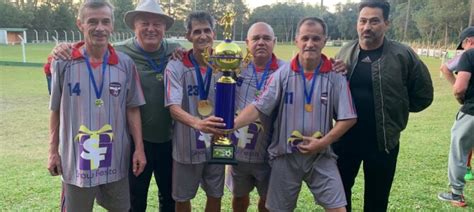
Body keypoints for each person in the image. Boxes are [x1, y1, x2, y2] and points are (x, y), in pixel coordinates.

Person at [49, 0, 181, 210]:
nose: (100, 28)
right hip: (91, 155)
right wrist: (53, 151)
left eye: (105, 22)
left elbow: (132, 107)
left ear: (112, 25)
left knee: (153, 201)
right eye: (93, 21)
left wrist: (182, 54)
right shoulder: (69, 61)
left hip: (142, 147)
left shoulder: (161, 54)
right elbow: (55, 107)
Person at [234, 17, 357, 212]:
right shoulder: (282, 74)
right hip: (285, 156)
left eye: (316, 39)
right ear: (296, 40)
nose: (310, 43)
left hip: (321, 156)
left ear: (324, 41)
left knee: (339, 209)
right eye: (305, 38)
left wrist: (323, 142)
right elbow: (258, 107)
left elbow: (348, 117)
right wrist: (229, 126)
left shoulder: (335, 75)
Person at [333, 1, 433, 211]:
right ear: (357, 23)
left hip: (384, 143)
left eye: (374, 21)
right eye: (363, 21)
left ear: (386, 23)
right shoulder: (345, 52)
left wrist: (395, 112)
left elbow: (423, 95)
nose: (367, 27)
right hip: (345, 141)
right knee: (339, 197)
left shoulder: (402, 55)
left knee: (377, 201)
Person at [164, 11, 226, 212]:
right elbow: (173, 107)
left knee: (215, 195)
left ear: (214, 34)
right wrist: (199, 124)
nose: (202, 36)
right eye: (197, 31)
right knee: (182, 198)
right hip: (186, 147)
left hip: (218, 143)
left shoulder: (225, 64)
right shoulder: (176, 65)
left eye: (207, 30)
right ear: (188, 36)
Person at [226, 22, 285, 212]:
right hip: (239, 150)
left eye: (266, 38)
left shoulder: (286, 70)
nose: (261, 42)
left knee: (267, 201)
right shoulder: (234, 68)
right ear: (247, 42)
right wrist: (177, 52)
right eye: (256, 38)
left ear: (274, 42)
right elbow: (204, 61)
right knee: (239, 197)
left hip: (270, 153)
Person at [438, 26, 474, 207]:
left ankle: (456, 194)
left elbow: (459, 88)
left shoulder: (469, 55)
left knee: (459, 149)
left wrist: (462, 97)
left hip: (472, 112)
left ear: (469, 41)